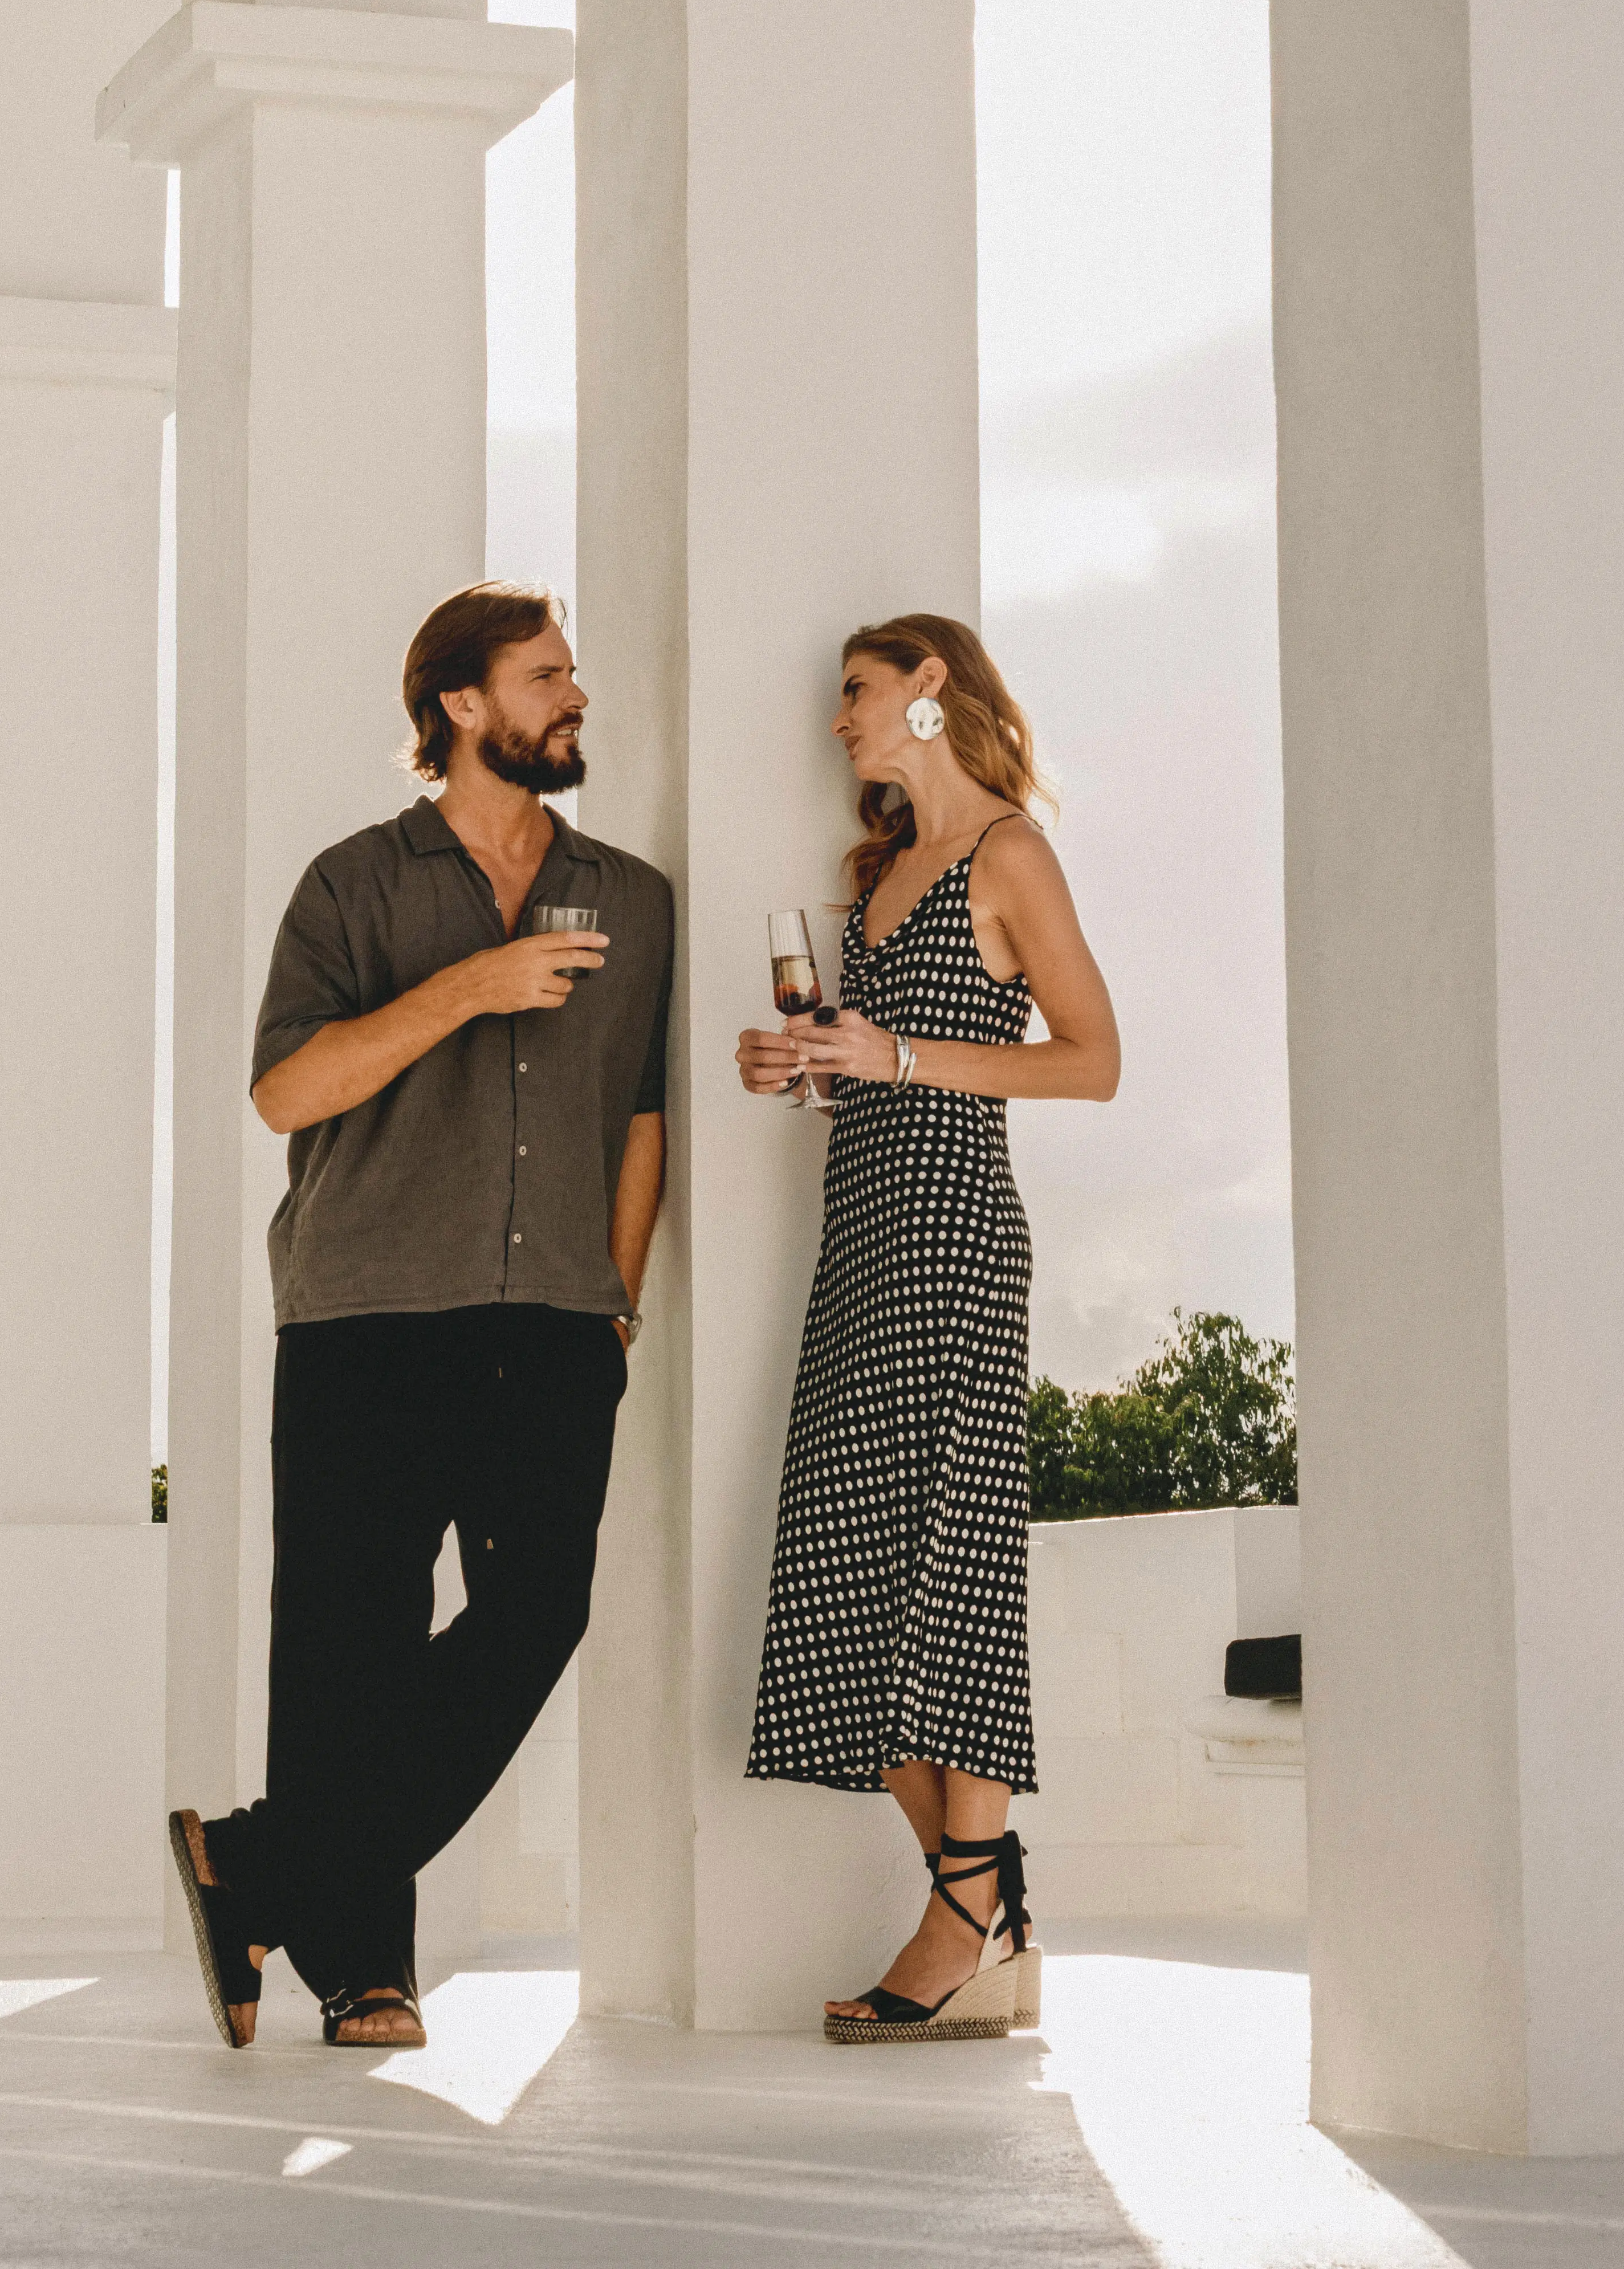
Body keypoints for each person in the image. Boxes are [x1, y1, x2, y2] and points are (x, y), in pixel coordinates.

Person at [168, 584, 671, 2051]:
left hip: (560, 1318)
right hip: (366, 1310)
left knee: (537, 1617)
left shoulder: (633, 898)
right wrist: (470, 989)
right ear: (462, 704)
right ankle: (362, 1969)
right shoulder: (351, 888)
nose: (577, 696)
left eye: (574, 673)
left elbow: (641, 1114)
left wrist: (617, 1294)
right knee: (347, 1640)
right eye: (549, 674)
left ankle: (256, 1864)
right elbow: (284, 1093)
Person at [736, 614, 1119, 2042]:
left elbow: (1094, 1061)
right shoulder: (881, 876)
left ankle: (962, 1925)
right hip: (861, 1244)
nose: (837, 718)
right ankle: (985, 1895)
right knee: (836, 1583)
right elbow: (875, 1073)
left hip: (959, 1241)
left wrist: (890, 1051)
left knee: (950, 1577)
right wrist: (803, 1062)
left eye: (855, 692)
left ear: (928, 690)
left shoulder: (1004, 855)